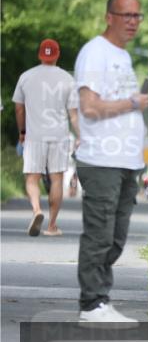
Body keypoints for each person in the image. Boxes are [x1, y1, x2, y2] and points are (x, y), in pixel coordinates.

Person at [73, 0, 148, 326]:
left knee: (116, 237)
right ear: (109, 17)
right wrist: (132, 104)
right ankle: (91, 304)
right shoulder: (95, 53)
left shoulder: (123, 56)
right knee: (99, 235)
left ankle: (101, 300)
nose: (132, 22)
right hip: (101, 159)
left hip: (126, 160)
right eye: (126, 15)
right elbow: (89, 107)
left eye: (137, 16)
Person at [12, 39, 81, 236]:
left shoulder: (26, 77)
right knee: (57, 178)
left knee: (32, 178)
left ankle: (36, 210)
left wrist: (22, 132)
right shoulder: (67, 79)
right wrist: (79, 136)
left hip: (34, 136)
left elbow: (18, 108)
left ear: (39, 55)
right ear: (57, 55)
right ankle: (51, 225)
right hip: (59, 135)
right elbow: (74, 115)